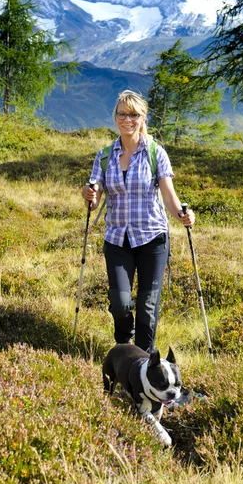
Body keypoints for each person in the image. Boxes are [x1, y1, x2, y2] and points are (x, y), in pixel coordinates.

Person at [81, 90, 195, 353]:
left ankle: (143, 360)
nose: (127, 119)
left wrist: (183, 215)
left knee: (147, 306)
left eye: (133, 114)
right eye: (122, 114)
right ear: (116, 117)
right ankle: (124, 348)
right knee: (120, 303)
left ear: (143, 118)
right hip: (117, 238)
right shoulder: (105, 156)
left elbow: (168, 196)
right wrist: (89, 195)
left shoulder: (156, 153)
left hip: (152, 238)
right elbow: (94, 201)